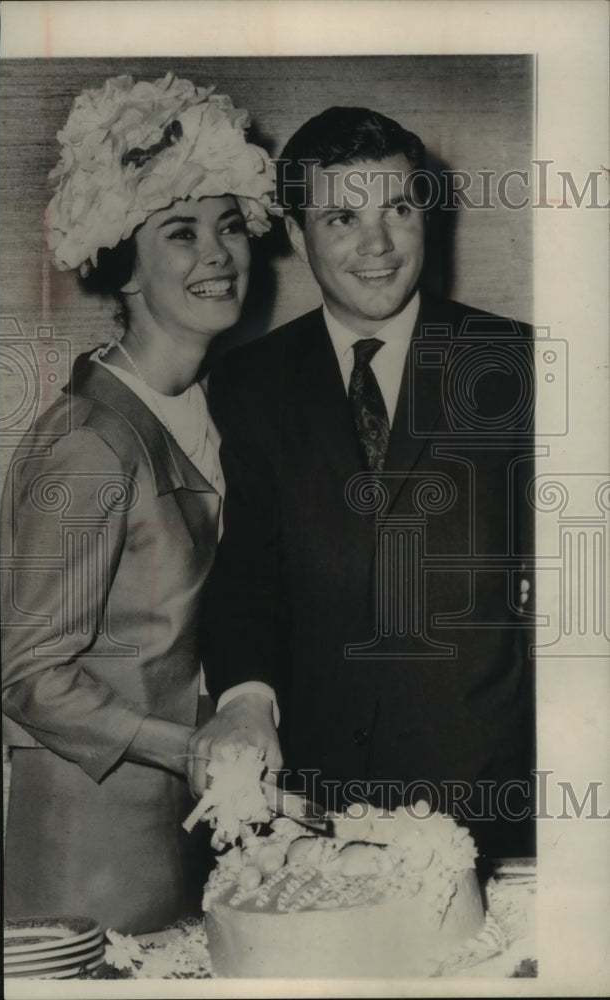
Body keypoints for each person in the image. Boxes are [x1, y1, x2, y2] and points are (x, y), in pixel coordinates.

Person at [198, 106, 535, 858]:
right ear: (296, 235)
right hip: (314, 809)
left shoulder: (518, 364)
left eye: (399, 209)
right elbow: (248, 570)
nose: (376, 244)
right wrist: (245, 698)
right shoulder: (249, 383)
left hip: (492, 799)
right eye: (340, 217)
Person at [0, 71, 275, 933]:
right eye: (182, 234)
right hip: (90, 834)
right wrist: (191, 748)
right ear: (124, 267)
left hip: (181, 818)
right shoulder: (87, 441)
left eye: (230, 226)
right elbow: (29, 674)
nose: (219, 255)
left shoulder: (213, 408)